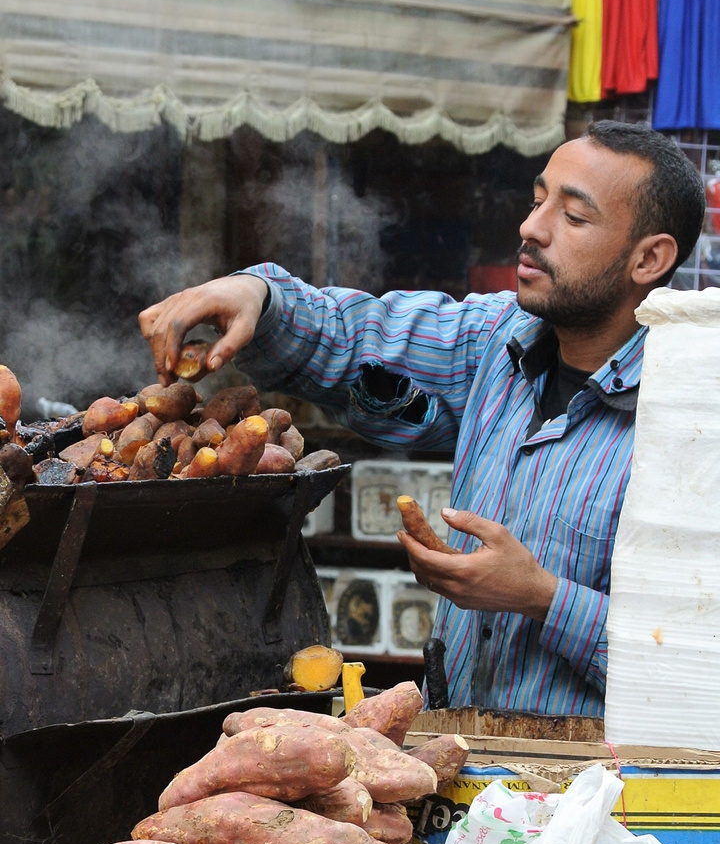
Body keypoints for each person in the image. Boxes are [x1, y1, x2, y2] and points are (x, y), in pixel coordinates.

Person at [139, 121, 705, 718]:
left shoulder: (690, 424)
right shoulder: (499, 340)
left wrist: (542, 598)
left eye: (573, 217)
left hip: (600, 798)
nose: (531, 228)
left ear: (649, 258)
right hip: (459, 777)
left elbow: (697, 664)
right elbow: (363, 336)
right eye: (538, 200)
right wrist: (260, 296)